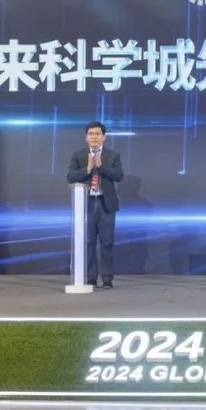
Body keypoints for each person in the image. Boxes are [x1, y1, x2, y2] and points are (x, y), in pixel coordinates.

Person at [67, 121, 124, 289]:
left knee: (107, 243)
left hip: (106, 204)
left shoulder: (113, 155)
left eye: (97, 134)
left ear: (104, 137)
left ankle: (107, 279)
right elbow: (70, 176)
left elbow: (118, 176)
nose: (94, 137)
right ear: (86, 137)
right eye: (91, 134)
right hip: (86, 204)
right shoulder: (78, 155)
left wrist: (101, 166)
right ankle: (91, 278)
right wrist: (88, 168)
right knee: (89, 243)